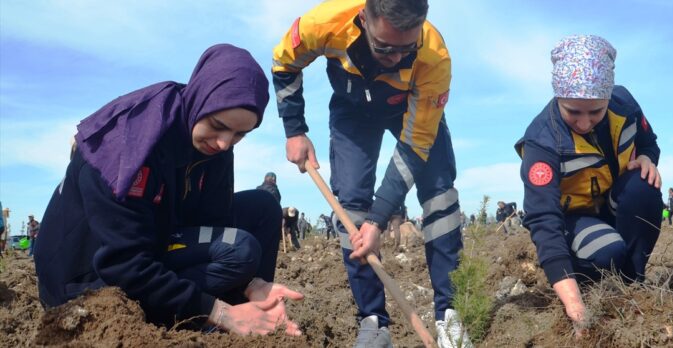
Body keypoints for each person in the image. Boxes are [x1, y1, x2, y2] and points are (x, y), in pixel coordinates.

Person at [33, 44, 303, 336]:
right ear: (200, 99)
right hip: (86, 279)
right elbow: (124, 263)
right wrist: (218, 312)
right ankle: (207, 319)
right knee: (239, 249)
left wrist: (252, 284)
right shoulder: (128, 144)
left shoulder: (213, 145)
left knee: (263, 207)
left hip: (155, 239)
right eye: (218, 125)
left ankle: (253, 312)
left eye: (240, 134)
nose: (225, 142)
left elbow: (215, 222)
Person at [272, 0, 470, 346]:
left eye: (407, 48)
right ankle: (374, 320)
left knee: (440, 193)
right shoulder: (325, 23)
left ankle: (450, 316)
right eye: (384, 47)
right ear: (364, 18)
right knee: (351, 205)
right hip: (352, 112)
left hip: (407, 107)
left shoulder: (434, 57)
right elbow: (284, 61)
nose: (396, 58)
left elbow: (415, 146)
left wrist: (379, 220)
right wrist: (294, 130)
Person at [515, 35, 662, 335]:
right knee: (607, 251)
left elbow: (649, 143)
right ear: (558, 97)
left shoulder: (626, 106)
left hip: (612, 204)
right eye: (574, 112)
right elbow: (543, 218)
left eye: (595, 112)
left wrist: (647, 158)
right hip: (573, 221)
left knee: (643, 187)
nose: (584, 123)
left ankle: (634, 281)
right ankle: (587, 279)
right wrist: (572, 301)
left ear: (608, 96)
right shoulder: (542, 141)